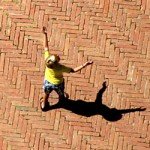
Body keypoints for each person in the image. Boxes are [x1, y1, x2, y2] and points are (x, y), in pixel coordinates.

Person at [40, 27, 93, 111]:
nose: (57, 55)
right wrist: (84, 65)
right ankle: (62, 100)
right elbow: (73, 70)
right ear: (57, 62)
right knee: (61, 94)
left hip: (47, 82)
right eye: (57, 58)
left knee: (46, 93)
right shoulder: (60, 68)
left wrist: (45, 34)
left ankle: (44, 105)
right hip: (58, 83)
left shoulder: (47, 60)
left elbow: (45, 47)